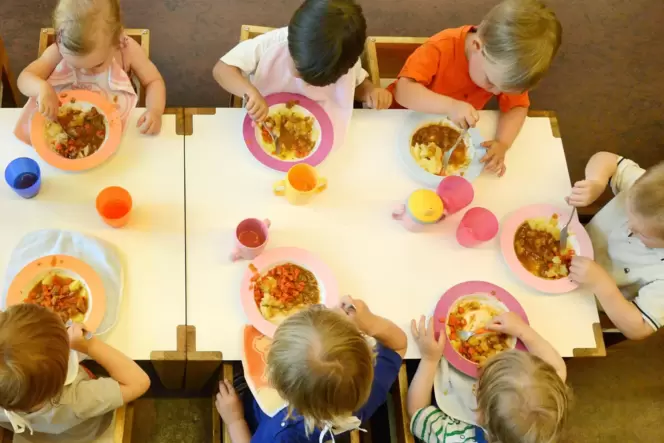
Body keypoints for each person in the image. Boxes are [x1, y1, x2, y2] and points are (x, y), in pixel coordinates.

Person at [389, 0, 561, 177]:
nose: (495, 93)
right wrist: (451, 107)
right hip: (398, 117)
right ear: (477, 46)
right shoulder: (441, 47)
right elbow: (403, 92)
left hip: (449, 133)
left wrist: (503, 143)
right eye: (490, 82)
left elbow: (518, 106)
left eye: (502, 89)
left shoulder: (503, 68)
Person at [215, 297, 407, 442]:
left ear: (275, 383)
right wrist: (371, 322)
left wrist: (235, 421)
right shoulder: (364, 391)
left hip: (257, 418)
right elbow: (398, 346)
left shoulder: (281, 433)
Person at [212, 0, 393, 148]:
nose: (301, 80)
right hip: (261, 122)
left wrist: (371, 92)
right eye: (298, 69)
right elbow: (222, 70)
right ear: (291, 42)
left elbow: (357, 85)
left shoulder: (346, 61)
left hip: (325, 136)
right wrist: (250, 92)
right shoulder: (272, 44)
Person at [15, 0, 166, 143]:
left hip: (117, 129)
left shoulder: (126, 50)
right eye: (73, 64)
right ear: (60, 39)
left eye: (97, 64)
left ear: (117, 39)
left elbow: (153, 81)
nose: (85, 71)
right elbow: (24, 78)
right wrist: (42, 88)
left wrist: (155, 111)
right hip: (62, 125)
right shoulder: (57, 52)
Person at [408, 313, 569, 442]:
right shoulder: (547, 405)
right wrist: (524, 331)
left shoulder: (454, 437)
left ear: (480, 415)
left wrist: (429, 359)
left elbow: (417, 411)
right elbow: (557, 368)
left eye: (480, 383)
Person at [0, 304, 150, 443]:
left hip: (47, 436)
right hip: (87, 433)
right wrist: (90, 345)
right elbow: (139, 382)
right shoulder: (76, 398)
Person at [566, 153, 664, 340]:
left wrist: (601, 284)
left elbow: (639, 329)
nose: (628, 228)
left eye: (641, 233)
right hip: (573, 243)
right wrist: (596, 182)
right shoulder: (646, 189)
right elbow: (606, 159)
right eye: (628, 215)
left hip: (587, 302)